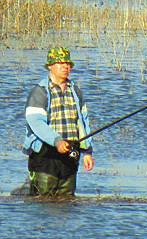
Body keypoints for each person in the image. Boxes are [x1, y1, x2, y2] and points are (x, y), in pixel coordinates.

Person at [21, 46, 93, 196]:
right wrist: (57, 141)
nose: (65, 67)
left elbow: (83, 123)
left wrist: (86, 152)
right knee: (43, 202)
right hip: (45, 155)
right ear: (49, 66)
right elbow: (36, 124)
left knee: (67, 204)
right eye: (60, 63)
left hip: (70, 155)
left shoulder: (75, 92)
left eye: (67, 64)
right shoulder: (39, 92)